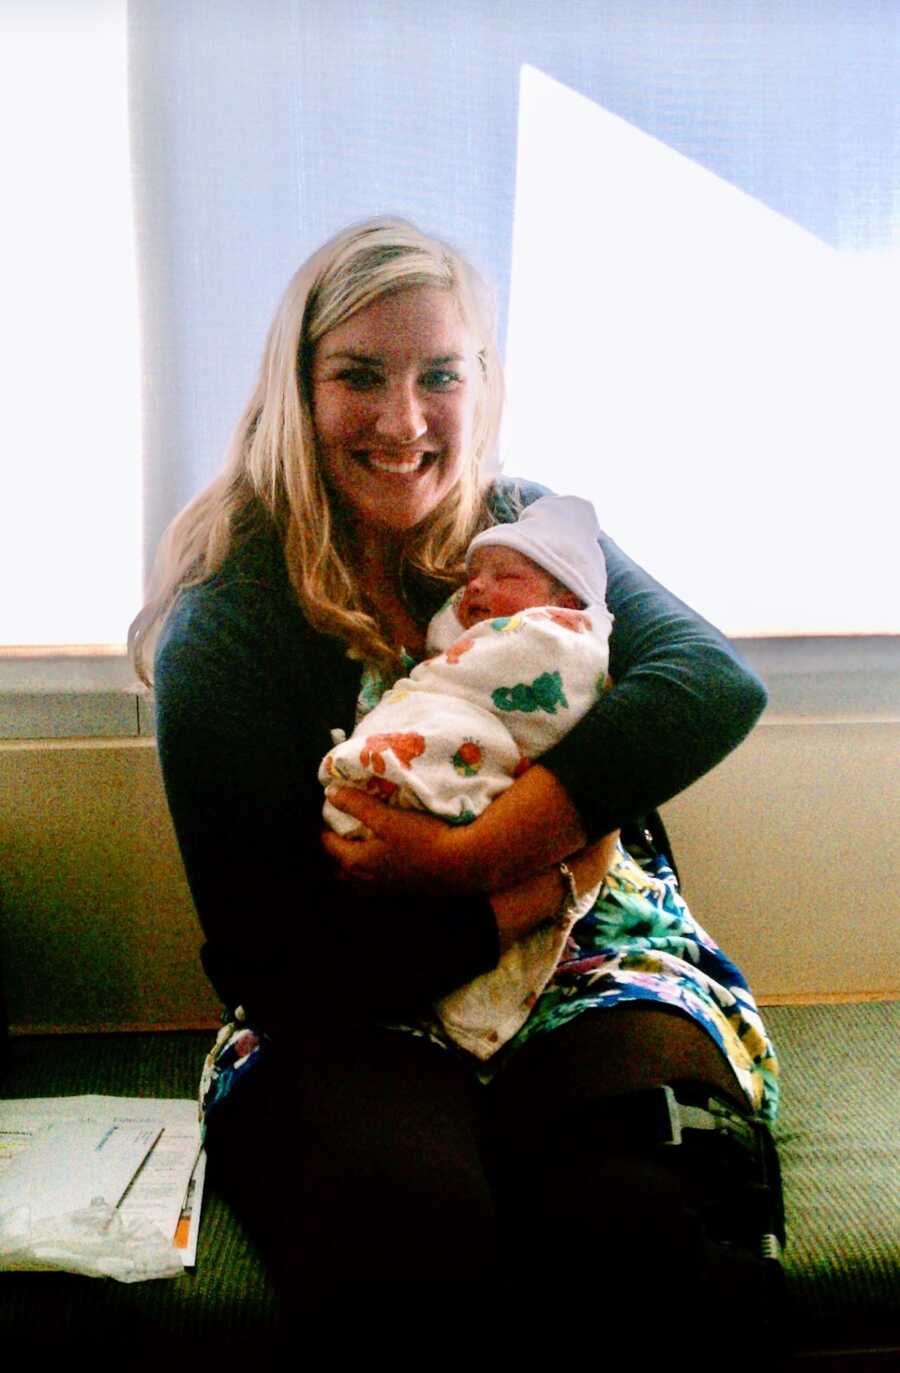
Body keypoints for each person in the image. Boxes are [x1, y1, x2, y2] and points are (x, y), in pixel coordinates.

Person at [130, 217, 782, 1360]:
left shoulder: (534, 539)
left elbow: (708, 682)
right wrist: (518, 892)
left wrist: (465, 858)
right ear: (297, 390)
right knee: (407, 1246)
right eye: (359, 376)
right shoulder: (226, 622)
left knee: (649, 1228)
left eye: (441, 374)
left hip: (591, 964)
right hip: (349, 1001)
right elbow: (275, 963)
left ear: (487, 384)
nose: (403, 419)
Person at [320, 492, 616, 1059]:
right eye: (473, 576)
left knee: (639, 1113)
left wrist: (471, 860)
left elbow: (716, 684)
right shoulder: (239, 605)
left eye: (504, 575)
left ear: (568, 599)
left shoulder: (551, 633)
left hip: (583, 901)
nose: (475, 587)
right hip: (373, 945)